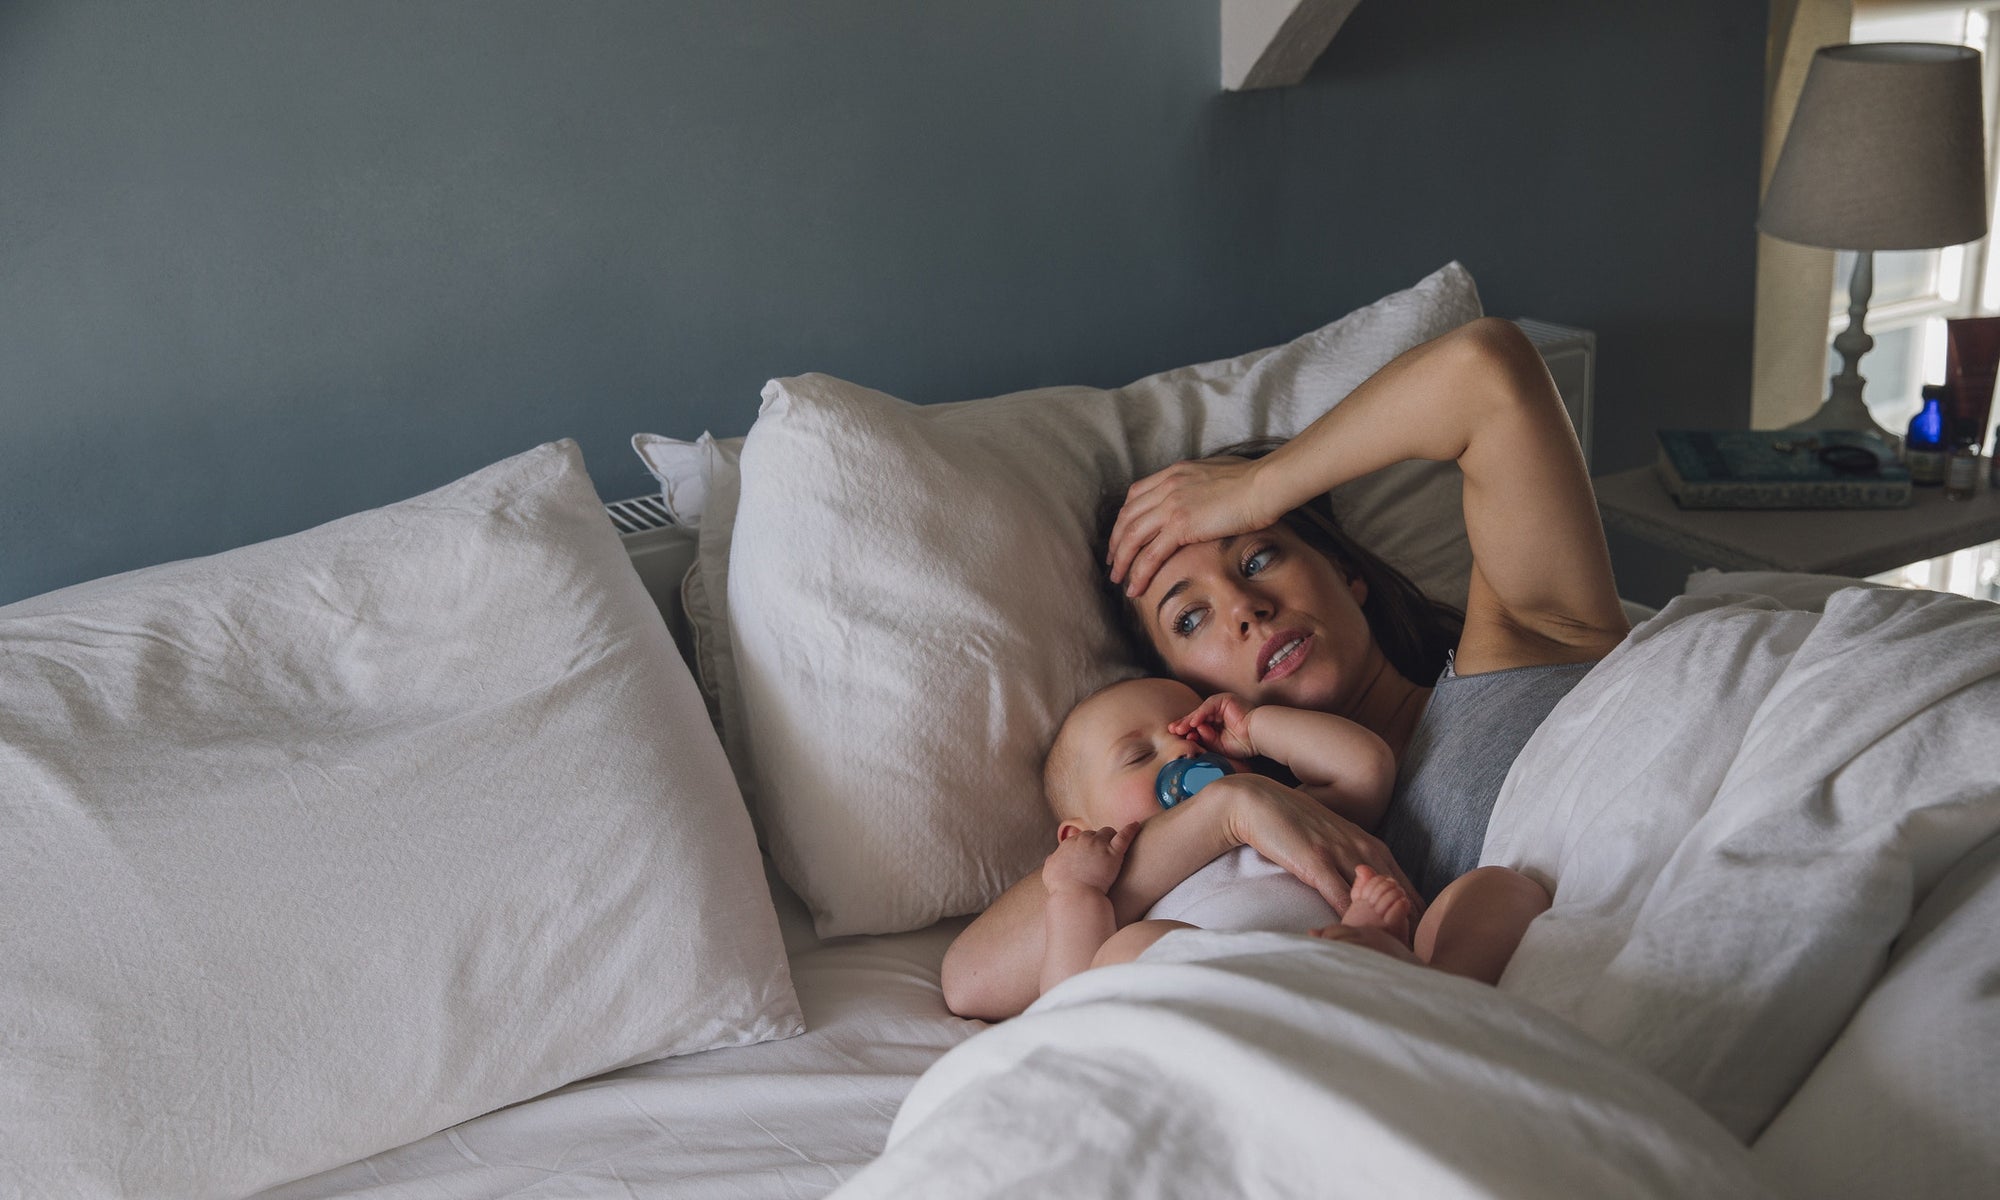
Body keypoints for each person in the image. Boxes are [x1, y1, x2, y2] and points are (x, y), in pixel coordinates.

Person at [943, 316, 1628, 1021]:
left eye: (1259, 555)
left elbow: (1489, 370)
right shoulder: (1260, 846)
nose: (1243, 607)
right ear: (1184, 692)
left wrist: (1260, 488)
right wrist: (1230, 811)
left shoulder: (1527, 637)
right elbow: (973, 976)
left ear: (1347, 571)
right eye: (1190, 618)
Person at [1038, 676, 1549, 996]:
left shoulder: (1291, 815)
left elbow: (1364, 767)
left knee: (1498, 889)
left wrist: (1255, 728)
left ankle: (1438, 989)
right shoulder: (1118, 895)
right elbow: (1067, 1005)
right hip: (1237, 1010)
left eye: (1191, 734)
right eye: (1138, 756)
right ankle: (1340, 970)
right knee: (1128, 953)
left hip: (1376, 984)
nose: (1181, 754)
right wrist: (1074, 890)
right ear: (1076, 833)